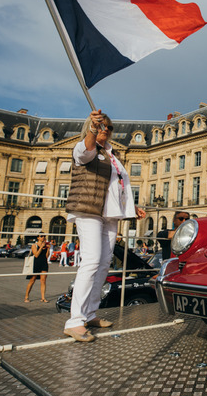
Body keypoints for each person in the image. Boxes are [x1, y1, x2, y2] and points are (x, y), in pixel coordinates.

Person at [63, 110, 145, 342]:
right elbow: (86, 152)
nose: (106, 131)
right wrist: (92, 128)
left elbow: (117, 186)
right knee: (90, 262)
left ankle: (90, 314)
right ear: (91, 127)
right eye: (101, 127)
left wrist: (131, 208)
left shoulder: (113, 155)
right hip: (88, 210)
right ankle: (75, 320)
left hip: (109, 215)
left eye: (108, 128)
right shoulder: (84, 148)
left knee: (103, 264)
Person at [24, 234, 50, 302]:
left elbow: (47, 256)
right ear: (38, 238)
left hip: (44, 263)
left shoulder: (46, 246)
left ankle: (43, 297)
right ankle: (26, 296)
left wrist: (48, 249)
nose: (43, 237)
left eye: (44, 236)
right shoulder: (34, 245)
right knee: (32, 280)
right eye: (41, 236)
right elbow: (36, 255)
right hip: (35, 264)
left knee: (43, 281)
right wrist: (41, 247)